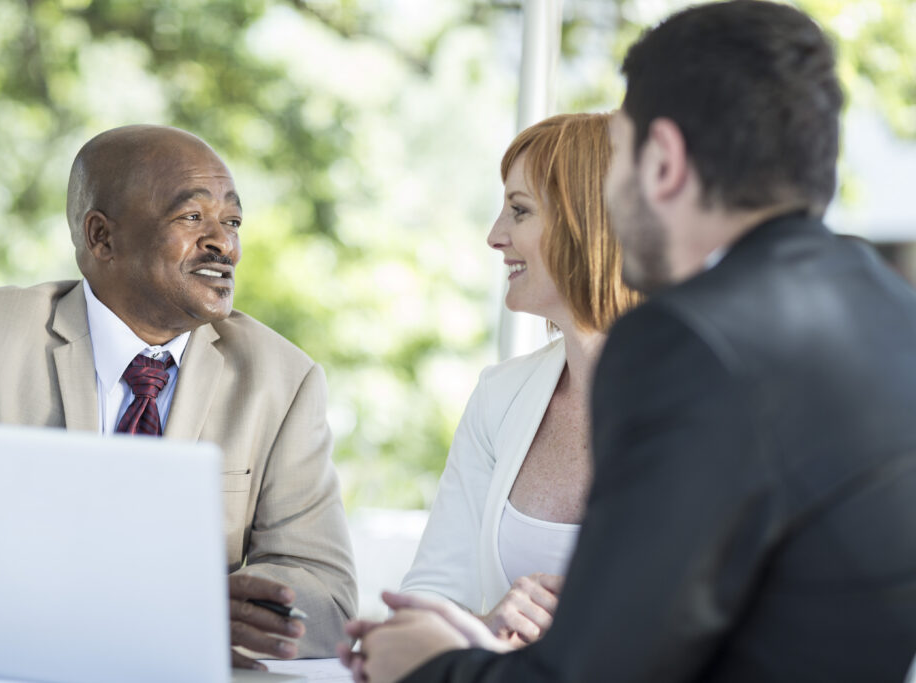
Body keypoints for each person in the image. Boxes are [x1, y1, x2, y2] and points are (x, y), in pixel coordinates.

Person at [341, 1, 916, 681]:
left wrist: (431, 663)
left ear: (664, 162)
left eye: (622, 159)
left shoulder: (686, 340)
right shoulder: (893, 316)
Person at [0, 124, 357, 669]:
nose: (225, 244)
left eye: (232, 221)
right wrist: (155, 608)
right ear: (102, 238)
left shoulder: (283, 380)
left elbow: (326, 596)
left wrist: (204, 615)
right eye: (192, 217)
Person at [399, 113, 639, 646]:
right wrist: (486, 629)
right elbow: (430, 599)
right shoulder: (500, 397)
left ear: (591, 222)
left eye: (520, 211)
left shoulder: (716, 398)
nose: (494, 235)